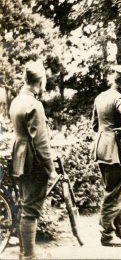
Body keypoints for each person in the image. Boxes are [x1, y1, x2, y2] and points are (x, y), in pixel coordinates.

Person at [9, 61, 58, 259]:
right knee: (31, 209)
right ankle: (28, 256)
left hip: (19, 158)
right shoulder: (34, 105)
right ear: (41, 81)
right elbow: (41, 142)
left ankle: (24, 253)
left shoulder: (16, 101)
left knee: (25, 204)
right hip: (33, 162)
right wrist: (51, 169)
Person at [92, 65, 121, 247]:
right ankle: (106, 235)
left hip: (101, 150)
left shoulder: (100, 97)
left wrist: (108, 131)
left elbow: (95, 125)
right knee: (114, 195)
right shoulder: (119, 99)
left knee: (112, 189)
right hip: (118, 152)